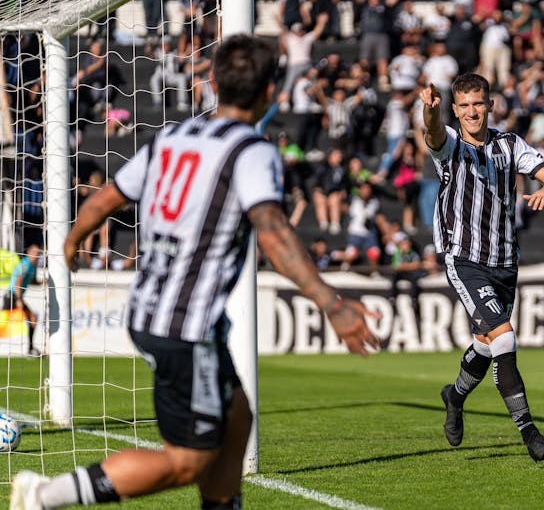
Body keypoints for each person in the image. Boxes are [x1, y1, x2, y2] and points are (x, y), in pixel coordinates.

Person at [10, 35, 380, 510]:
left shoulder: (173, 137)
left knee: (238, 413)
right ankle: (44, 494)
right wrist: (332, 303)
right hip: (183, 325)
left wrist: (72, 241)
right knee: (188, 461)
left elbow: (106, 198)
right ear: (270, 93)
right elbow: (272, 232)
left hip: (154, 311)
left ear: (214, 84)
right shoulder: (252, 151)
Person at [421, 73, 544, 462]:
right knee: (504, 339)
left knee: (486, 345)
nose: (472, 111)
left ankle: (454, 395)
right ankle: (531, 434)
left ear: (490, 105)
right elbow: (433, 134)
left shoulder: (509, 144)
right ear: (455, 109)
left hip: (505, 260)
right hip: (464, 257)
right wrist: (430, 112)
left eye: (478, 104)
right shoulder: (449, 144)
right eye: (463, 105)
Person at [3, 244, 40, 355]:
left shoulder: (33, 266)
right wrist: (19, 299)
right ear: (28, 252)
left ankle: (30, 348)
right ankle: (30, 349)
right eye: (34, 252)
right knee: (32, 319)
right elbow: (18, 281)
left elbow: (32, 281)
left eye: (38, 253)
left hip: (16, 296)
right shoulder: (25, 264)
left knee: (33, 319)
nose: (36, 255)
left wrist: (43, 282)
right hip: (12, 296)